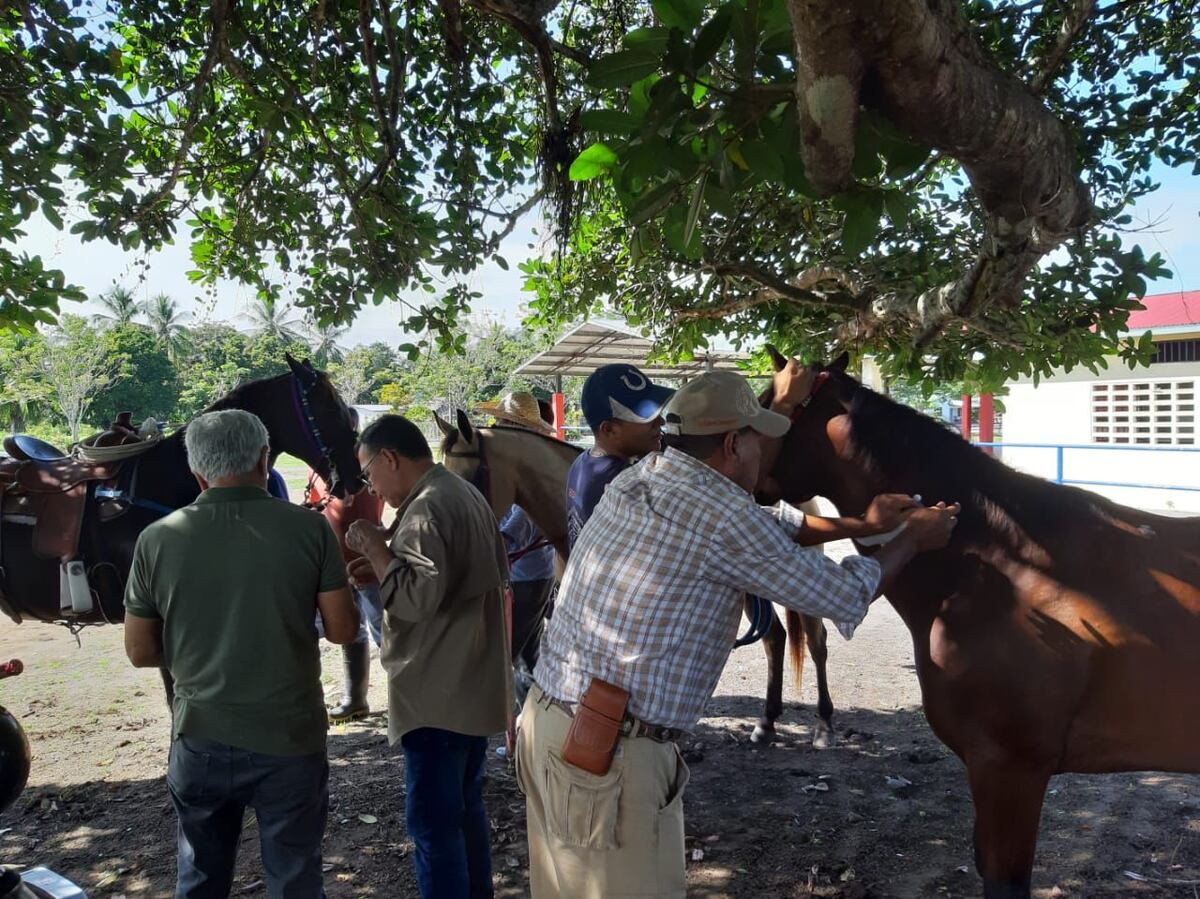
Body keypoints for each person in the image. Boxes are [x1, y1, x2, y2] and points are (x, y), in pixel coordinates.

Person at [518, 365, 960, 898]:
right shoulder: (723, 518)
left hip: (549, 725)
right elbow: (842, 595)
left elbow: (775, 524)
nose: (760, 457)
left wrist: (864, 524)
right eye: (756, 442)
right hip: (605, 758)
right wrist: (910, 538)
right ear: (732, 444)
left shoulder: (646, 474)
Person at [123, 409, 360, 899]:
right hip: (290, 737)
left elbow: (140, 651)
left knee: (201, 878)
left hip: (200, 737)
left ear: (196, 471)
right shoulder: (309, 530)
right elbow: (343, 630)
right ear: (264, 460)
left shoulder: (157, 539)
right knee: (295, 877)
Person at [344, 415, 513, 899]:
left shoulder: (425, 510)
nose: (370, 486)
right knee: (464, 814)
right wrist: (383, 565)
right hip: (470, 686)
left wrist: (376, 546)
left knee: (434, 828)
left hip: (436, 693)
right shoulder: (458, 493)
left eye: (368, 473)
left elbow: (417, 600)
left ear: (390, 459)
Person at [306, 409, 386, 722]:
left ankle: (408, 697)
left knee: (384, 631)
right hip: (334, 567)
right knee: (348, 631)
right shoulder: (320, 468)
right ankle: (356, 699)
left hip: (367, 563)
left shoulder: (364, 464)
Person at [476, 392, 557, 677]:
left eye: (503, 423)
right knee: (526, 656)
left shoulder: (534, 468)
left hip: (527, 575)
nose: (496, 428)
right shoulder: (509, 464)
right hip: (524, 573)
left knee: (505, 657)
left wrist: (495, 542)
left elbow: (521, 527)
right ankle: (534, 714)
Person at [566, 363, 673, 549]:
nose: (661, 422)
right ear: (608, 429)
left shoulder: (581, 463)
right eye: (646, 418)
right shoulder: (626, 484)